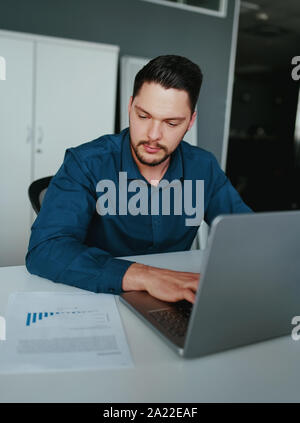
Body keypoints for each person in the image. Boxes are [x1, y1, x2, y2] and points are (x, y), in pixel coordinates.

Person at [26, 55, 252, 304]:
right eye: (143, 116)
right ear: (130, 106)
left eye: (171, 122)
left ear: (190, 122)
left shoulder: (203, 166)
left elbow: (245, 233)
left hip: (174, 300)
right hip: (96, 295)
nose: (153, 135)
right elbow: (45, 249)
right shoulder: (86, 162)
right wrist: (147, 276)